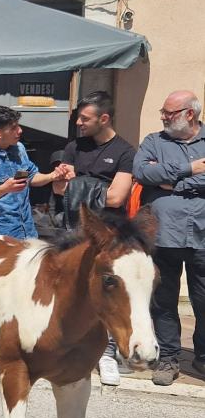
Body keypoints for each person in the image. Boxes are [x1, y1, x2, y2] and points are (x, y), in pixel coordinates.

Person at [60, 91, 135, 386]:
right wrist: (94, 184)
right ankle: (68, 345)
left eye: (84, 118)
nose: (78, 122)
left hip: (109, 236)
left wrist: (78, 180)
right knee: (73, 290)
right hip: (73, 231)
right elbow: (58, 190)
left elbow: (117, 198)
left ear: (104, 119)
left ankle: (106, 353)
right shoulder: (73, 147)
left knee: (107, 292)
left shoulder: (126, 152)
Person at [133, 90, 205, 386]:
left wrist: (167, 181)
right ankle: (169, 358)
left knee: (203, 300)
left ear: (190, 114)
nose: (162, 116)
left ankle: (202, 356)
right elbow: (140, 173)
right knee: (163, 300)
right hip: (163, 234)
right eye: (163, 112)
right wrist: (189, 169)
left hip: (202, 234)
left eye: (169, 112)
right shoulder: (153, 141)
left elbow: (156, 177)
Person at [0, 105, 68, 240]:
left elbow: (31, 177)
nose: (20, 131)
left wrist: (52, 176)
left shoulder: (19, 149)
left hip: (29, 231)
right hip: (3, 236)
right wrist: (4, 189)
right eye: (13, 128)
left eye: (18, 125)